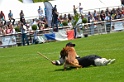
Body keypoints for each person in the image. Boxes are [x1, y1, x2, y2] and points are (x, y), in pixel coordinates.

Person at [51, 42, 115, 68]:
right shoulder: (64, 54)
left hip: (79, 60)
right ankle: (103, 63)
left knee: (93, 55)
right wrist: (55, 62)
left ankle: (105, 60)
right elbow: (60, 61)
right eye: (71, 46)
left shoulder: (72, 52)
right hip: (78, 62)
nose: (72, 47)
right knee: (89, 59)